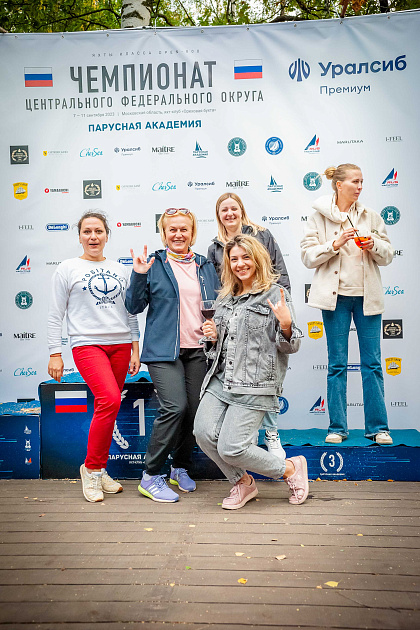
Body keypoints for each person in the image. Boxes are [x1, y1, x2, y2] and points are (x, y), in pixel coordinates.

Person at [194, 234, 309, 510]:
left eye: (246, 257)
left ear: (258, 259)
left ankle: (290, 469)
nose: (240, 264)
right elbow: (220, 347)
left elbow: (291, 346)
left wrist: (286, 325)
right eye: (234, 259)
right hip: (222, 379)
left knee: (232, 448)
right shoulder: (225, 298)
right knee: (203, 433)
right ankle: (243, 482)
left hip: (255, 383)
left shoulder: (275, 294)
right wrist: (213, 338)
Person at [125, 208, 219, 503]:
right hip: (163, 352)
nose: (178, 234)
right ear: (163, 234)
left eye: (184, 229)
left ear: (192, 233)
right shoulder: (153, 264)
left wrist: (215, 326)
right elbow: (133, 306)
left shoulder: (205, 265)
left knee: (195, 411)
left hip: (198, 350)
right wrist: (138, 275)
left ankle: (180, 467)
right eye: (172, 230)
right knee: (175, 407)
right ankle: (151, 476)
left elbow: (217, 304)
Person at [47, 211, 140, 503]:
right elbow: (55, 315)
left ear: (107, 235)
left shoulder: (120, 269)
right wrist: (55, 353)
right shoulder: (67, 268)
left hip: (121, 345)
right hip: (87, 344)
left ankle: (99, 468)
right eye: (87, 231)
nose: (93, 237)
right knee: (109, 400)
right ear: (79, 236)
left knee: (108, 408)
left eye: (98, 231)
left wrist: (135, 348)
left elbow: (131, 312)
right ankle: (91, 469)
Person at [301, 164, 394, 445]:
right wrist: (335, 243)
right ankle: (337, 428)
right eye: (355, 181)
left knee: (373, 364)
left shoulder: (370, 215)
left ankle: (378, 428)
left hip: (368, 298)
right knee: (337, 365)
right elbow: (307, 257)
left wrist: (373, 245)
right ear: (339, 185)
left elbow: (388, 255)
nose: (360, 187)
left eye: (362, 181)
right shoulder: (317, 216)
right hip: (335, 300)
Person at [207, 192, 291, 459]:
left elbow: (279, 272)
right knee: (237, 375)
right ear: (218, 215)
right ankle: (248, 435)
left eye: (233, 208)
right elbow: (217, 287)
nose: (229, 213)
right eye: (224, 210)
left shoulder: (262, 234)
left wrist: (282, 307)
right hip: (234, 316)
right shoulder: (214, 247)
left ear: (241, 210)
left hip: (264, 310)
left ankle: (271, 433)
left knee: (265, 371)